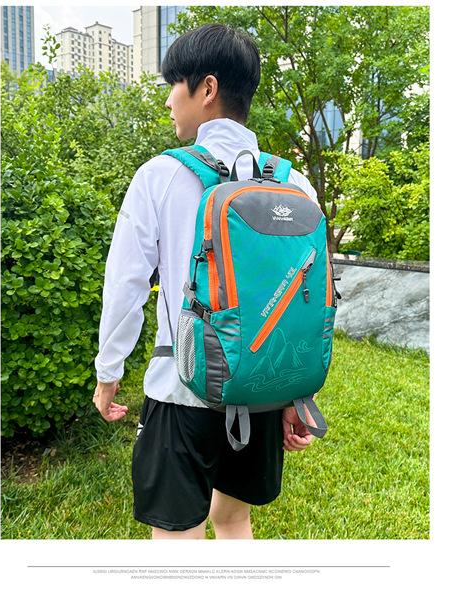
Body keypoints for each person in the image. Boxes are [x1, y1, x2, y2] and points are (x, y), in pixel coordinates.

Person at [93, 23, 318, 540]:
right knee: (234, 518)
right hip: (262, 388)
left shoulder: (160, 176)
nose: (169, 100)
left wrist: (108, 375)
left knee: (178, 538)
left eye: (175, 84)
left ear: (207, 88)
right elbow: (306, 299)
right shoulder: (293, 183)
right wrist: (293, 395)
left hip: (182, 389)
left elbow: (125, 286)